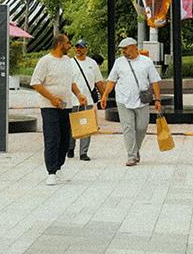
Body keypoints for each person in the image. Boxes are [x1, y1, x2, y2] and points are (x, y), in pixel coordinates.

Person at [30, 34, 86, 186]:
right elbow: (36, 83)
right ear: (60, 44)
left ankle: (59, 167)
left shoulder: (67, 60)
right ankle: (51, 172)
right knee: (52, 139)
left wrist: (79, 94)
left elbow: (71, 82)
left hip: (66, 106)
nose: (70, 46)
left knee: (65, 139)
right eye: (68, 43)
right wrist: (52, 98)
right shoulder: (45, 61)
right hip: (49, 107)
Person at [100, 37, 162, 166]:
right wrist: (104, 95)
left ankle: (135, 150)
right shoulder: (119, 62)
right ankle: (132, 156)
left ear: (134, 47)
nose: (124, 52)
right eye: (122, 49)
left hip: (142, 100)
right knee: (128, 128)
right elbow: (111, 81)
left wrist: (157, 99)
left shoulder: (147, 62)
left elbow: (154, 81)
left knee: (141, 127)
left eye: (126, 48)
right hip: (123, 99)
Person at [67, 39, 104, 162]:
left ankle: (83, 152)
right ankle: (70, 147)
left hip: (88, 100)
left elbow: (99, 82)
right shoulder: (69, 63)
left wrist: (104, 96)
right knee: (71, 126)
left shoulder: (92, 63)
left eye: (81, 47)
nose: (78, 49)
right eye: (77, 47)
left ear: (86, 49)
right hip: (72, 100)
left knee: (87, 126)